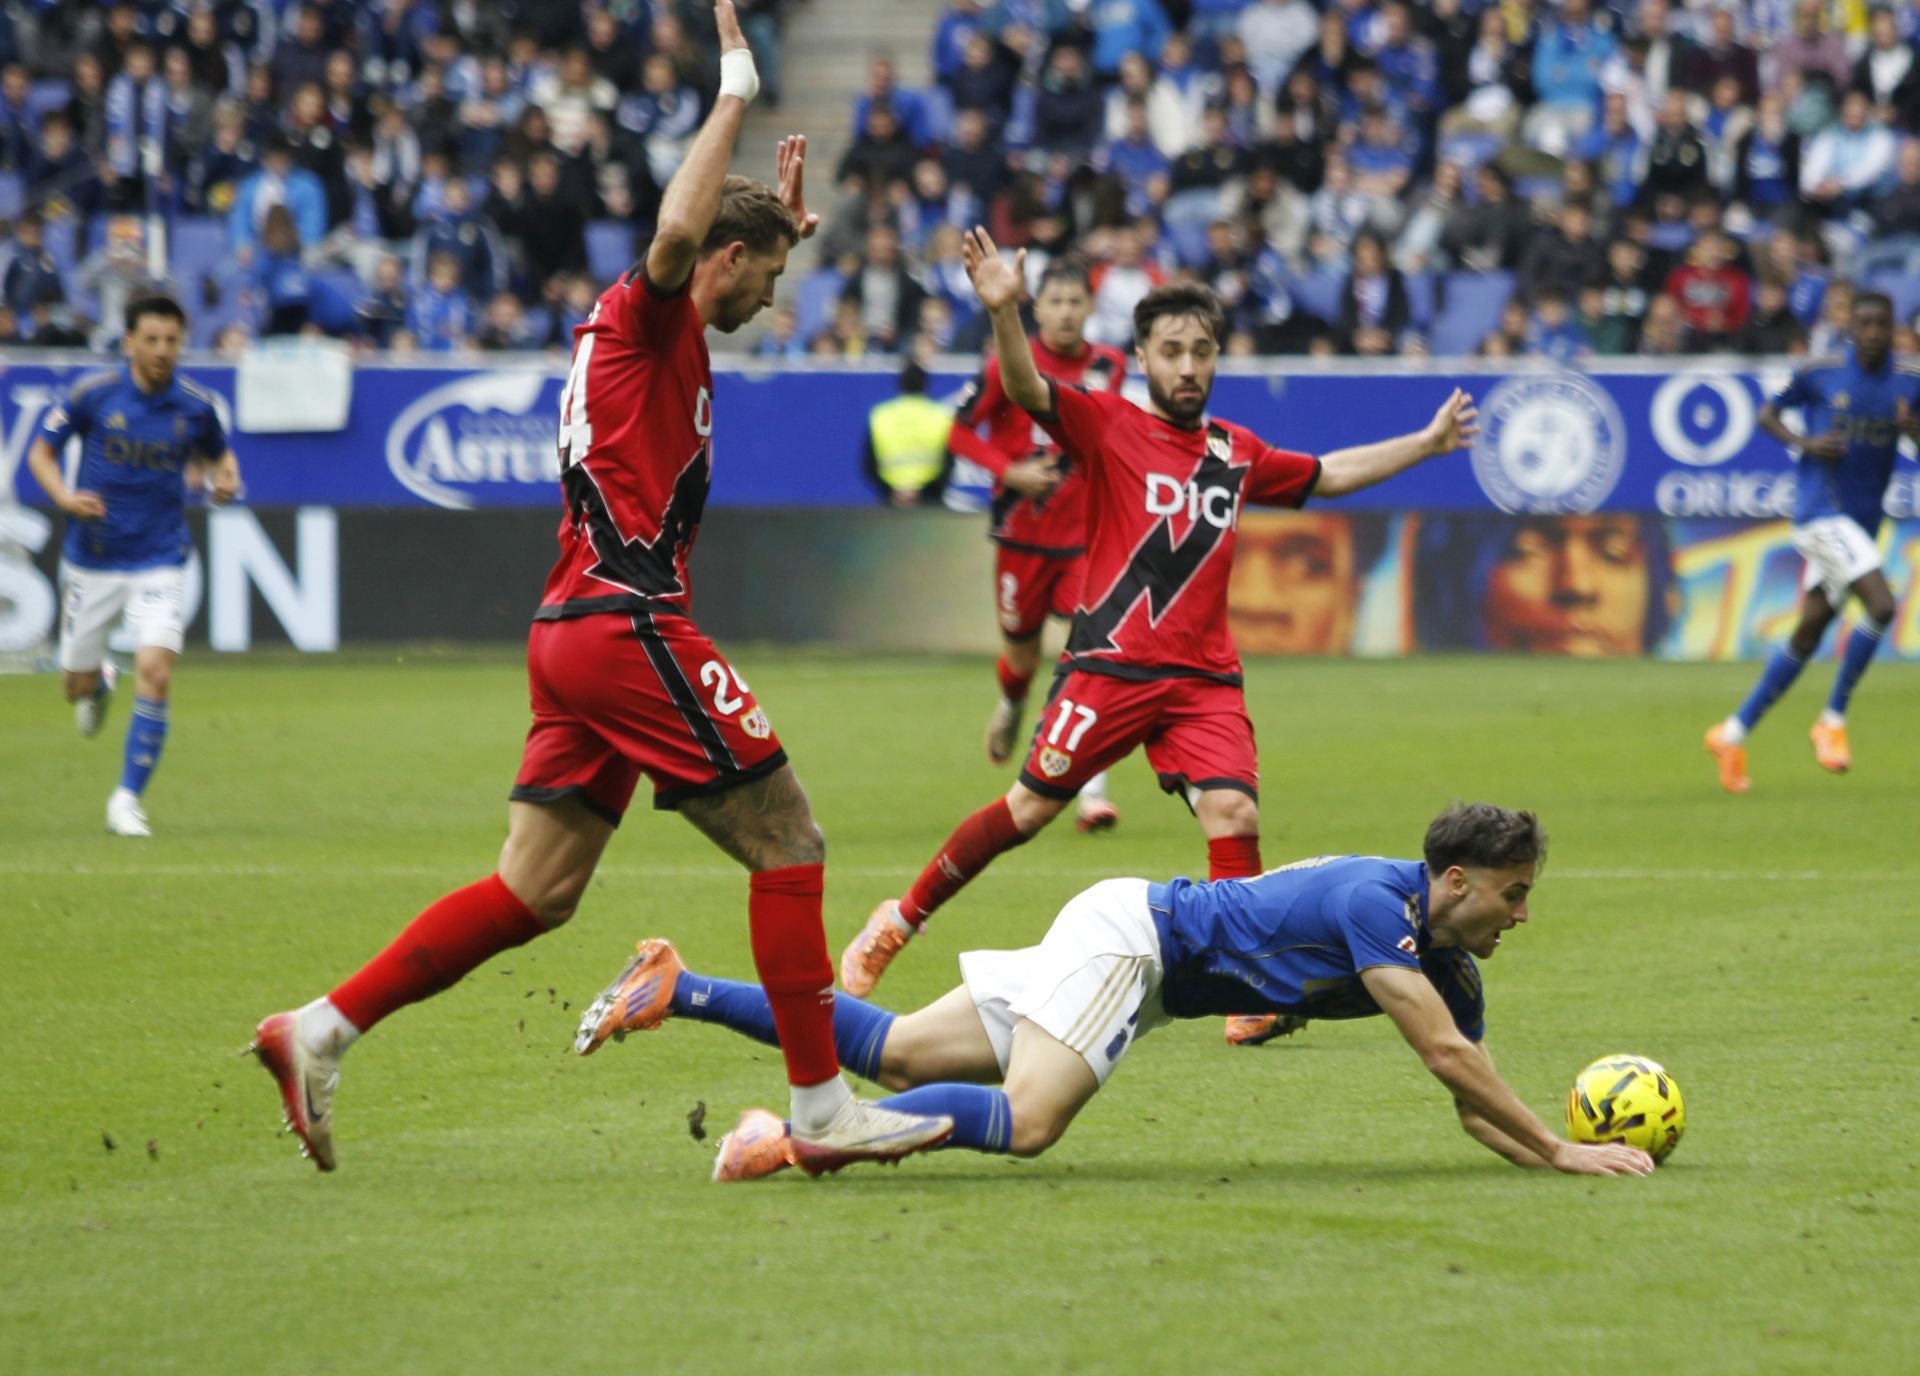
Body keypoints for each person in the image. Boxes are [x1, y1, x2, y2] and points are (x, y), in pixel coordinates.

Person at [250, 1, 954, 1175]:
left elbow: (713, 243)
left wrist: (778, 223)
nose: (772, 299)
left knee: (536, 888)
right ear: (721, 260)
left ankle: (319, 1027)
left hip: (571, 627)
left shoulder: (654, 339)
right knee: (789, 837)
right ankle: (823, 1108)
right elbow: (682, 233)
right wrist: (734, 91)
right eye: (767, 275)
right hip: (627, 622)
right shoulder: (650, 307)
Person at [841, 229, 1479, 1054]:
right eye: (1171, 350)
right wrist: (1004, 311)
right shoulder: (1106, 425)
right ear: (1140, 356)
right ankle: (898, 919)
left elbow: (1327, 474)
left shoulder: (1235, 451)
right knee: (1030, 809)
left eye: (1202, 351)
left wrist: (1425, 446)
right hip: (1109, 667)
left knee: (1233, 809)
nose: (1187, 366)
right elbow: (1031, 390)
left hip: (1203, 680)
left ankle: (1250, 990)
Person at [575, 803, 1657, 1183]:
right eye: (1513, 894)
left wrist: (1552, 1159)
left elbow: (1474, 1103)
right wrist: (1562, 1146)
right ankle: (800, 1139)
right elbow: (1447, 1059)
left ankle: (681, 986)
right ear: (1455, 879)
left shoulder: (1451, 966)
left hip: (1136, 955)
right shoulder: (1383, 905)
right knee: (1034, 1121)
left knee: (899, 1050)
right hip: (1135, 939)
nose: (1523, 913)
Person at [23, 294, 241, 837]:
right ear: (129, 342)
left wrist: (226, 476)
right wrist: (64, 497)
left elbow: (219, 452)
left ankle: (126, 800)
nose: (163, 350)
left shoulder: (194, 404)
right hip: (93, 560)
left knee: (157, 671)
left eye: (171, 340)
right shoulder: (93, 394)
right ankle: (97, 681)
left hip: (160, 558)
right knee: (71, 686)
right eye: (152, 339)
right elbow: (40, 454)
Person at [1704, 293, 1920, 792]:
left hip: (1862, 521)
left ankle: (1731, 734)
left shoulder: (1909, 378)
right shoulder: (1821, 371)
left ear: (1892, 329)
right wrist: (1804, 444)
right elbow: (1766, 414)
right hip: (1819, 513)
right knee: (1883, 605)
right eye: (1863, 323)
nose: (1871, 332)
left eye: (1880, 324)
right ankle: (1833, 719)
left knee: (1810, 631)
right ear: (1851, 329)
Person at [945, 257, 1129, 833]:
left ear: (1090, 309)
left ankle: (1090, 791)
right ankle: (1012, 704)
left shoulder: (1109, 366)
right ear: (1037, 307)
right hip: (1023, 540)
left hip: (1086, 542)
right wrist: (1010, 471)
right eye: (1057, 302)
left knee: (1093, 657)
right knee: (1022, 658)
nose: (1067, 312)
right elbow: (954, 430)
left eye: (1077, 302)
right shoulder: (1009, 365)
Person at [862, 360, 954, 507]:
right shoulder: (941, 416)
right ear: (925, 385)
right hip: (930, 503)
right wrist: (923, 492)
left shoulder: (880, 416)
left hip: (891, 504)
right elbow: (949, 464)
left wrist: (892, 491)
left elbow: (868, 466)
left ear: (900, 384)